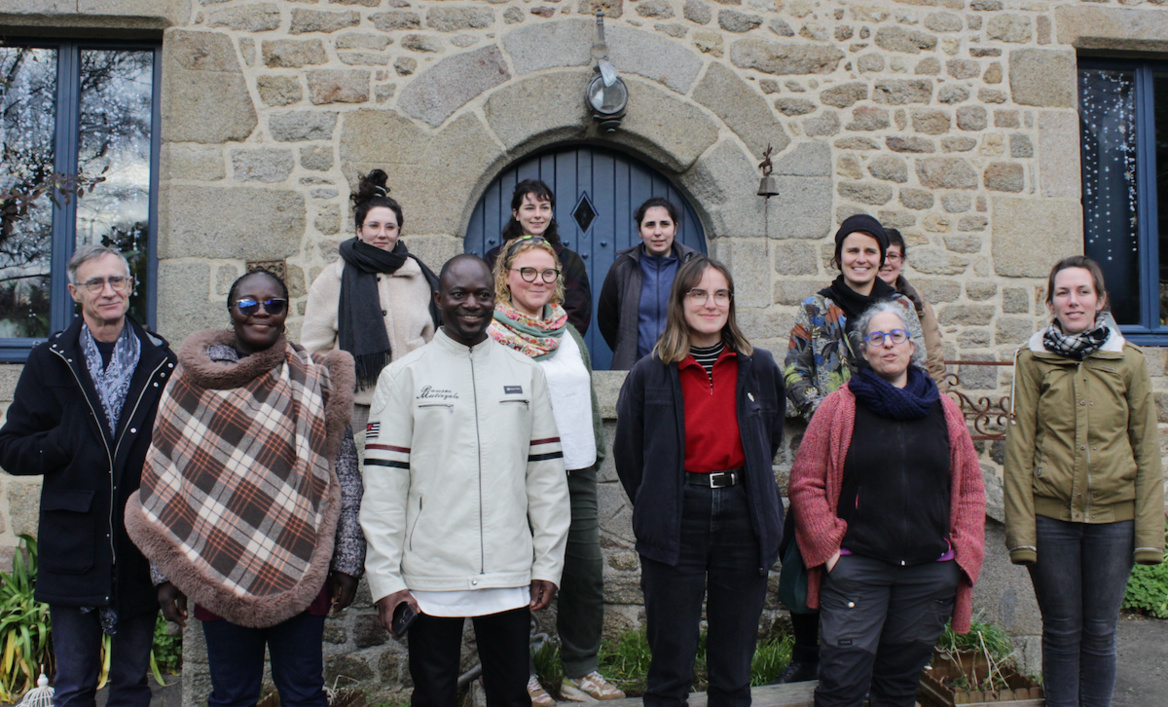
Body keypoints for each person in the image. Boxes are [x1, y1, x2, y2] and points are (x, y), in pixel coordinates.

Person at [124, 269, 365, 707]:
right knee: (232, 695)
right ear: (231, 311)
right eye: (249, 304)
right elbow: (163, 477)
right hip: (219, 563)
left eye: (273, 305)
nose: (261, 313)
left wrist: (348, 561)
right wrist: (167, 573)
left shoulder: (312, 377)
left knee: (305, 694)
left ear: (286, 313)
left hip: (300, 557)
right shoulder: (191, 381)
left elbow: (342, 473)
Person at [361, 254, 571, 707]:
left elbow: (547, 478)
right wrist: (385, 578)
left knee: (511, 696)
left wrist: (547, 562)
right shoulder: (403, 378)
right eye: (459, 294)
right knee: (434, 696)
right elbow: (383, 487)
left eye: (481, 294)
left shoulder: (526, 375)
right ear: (439, 300)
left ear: (494, 299)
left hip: (509, 572)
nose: (471, 304)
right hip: (431, 577)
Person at [0, 245, 175, 707]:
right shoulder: (48, 359)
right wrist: (65, 442)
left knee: (133, 686)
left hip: (138, 545)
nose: (109, 291)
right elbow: (11, 450)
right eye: (96, 283)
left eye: (118, 280)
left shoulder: (161, 361)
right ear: (76, 292)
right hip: (74, 545)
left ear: (130, 288)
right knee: (74, 686)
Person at [788, 301, 986, 707]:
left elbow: (969, 490)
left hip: (928, 577)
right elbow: (805, 483)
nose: (888, 345)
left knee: (897, 691)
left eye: (897, 336)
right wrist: (829, 551)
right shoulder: (839, 408)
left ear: (912, 346)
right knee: (841, 689)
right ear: (864, 350)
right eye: (877, 338)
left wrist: (963, 555)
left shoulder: (944, 410)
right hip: (858, 571)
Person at [614, 256, 786, 707]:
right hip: (676, 516)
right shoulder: (649, 372)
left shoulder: (760, 368)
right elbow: (631, 456)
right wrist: (662, 496)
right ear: (680, 301)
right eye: (698, 293)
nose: (711, 303)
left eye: (721, 294)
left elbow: (767, 440)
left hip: (741, 515)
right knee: (671, 660)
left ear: (731, 302)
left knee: (734, 663)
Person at [1004, 256, 1163, 707]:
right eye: (1063, 292)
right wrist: (1021, 532)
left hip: (1115, 522)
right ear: (1050, 300)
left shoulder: (1127, 361)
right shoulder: (1032, 359)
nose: (1073, 301)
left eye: (1082, 291)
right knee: (1060, 630)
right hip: (1051, 518)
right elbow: (1018, 450)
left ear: (1100, 299)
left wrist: (1149, 536)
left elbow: (1147, 451)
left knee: (1099, 632)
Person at [777, 213, 928, 684]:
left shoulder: (899, 307)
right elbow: (793, 369)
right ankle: (807, 652)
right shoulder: (815, 309)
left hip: (888, 446)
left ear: (883, 257)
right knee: (802, 545)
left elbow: (918, 366)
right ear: (839, 255)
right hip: (827, 447)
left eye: (870, 250)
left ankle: (879, 652)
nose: (861, 258)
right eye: (852, 250)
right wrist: (823, 412)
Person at [487, 236, 624, 704]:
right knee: (514, 577)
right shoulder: (490, 336)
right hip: (516, 478)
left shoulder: (569, 335)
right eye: (528, 271)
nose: (539, 281)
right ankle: (517, 675)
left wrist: (595, 453)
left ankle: (580, 671)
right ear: (506, 275)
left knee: (584, 574)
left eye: (548, 273)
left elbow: (584, 398)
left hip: (575, 472)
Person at [303, 168, 438, 434]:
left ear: (399, 232)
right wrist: (336, 394)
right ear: (359, 230)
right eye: (373, 226)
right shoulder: (333, 279)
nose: (382, 234)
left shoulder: (418, 276)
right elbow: (313, 351)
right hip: (356, 410)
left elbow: (432, 338)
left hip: (415, 402)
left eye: (390, 227)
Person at [598, 197, 699, 370]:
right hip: (635, 369)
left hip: (685, 367)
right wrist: (626, 348)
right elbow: (607, 318)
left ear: (675, 228)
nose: (657, 232)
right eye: (650, 225)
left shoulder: (694, 266)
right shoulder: (623, 268)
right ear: (640, 230)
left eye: (665, 224)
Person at [484, 179, 592, 334]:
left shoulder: (570, 260)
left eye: (544, 208)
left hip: (554, 342)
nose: (538, 215)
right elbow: (486, 302)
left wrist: (551, 340)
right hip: (503, 340)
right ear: (516, 213)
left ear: (551, 213)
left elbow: (578, 312)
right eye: (529, 208)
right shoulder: (494, 258)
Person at [878, 228, 947, 388]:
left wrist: (939, 397)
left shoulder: (917, 303)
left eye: (893, 256)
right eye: (882, 256)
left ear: (902, 261)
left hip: (912, 389)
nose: (886, 263)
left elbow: (933, 355)